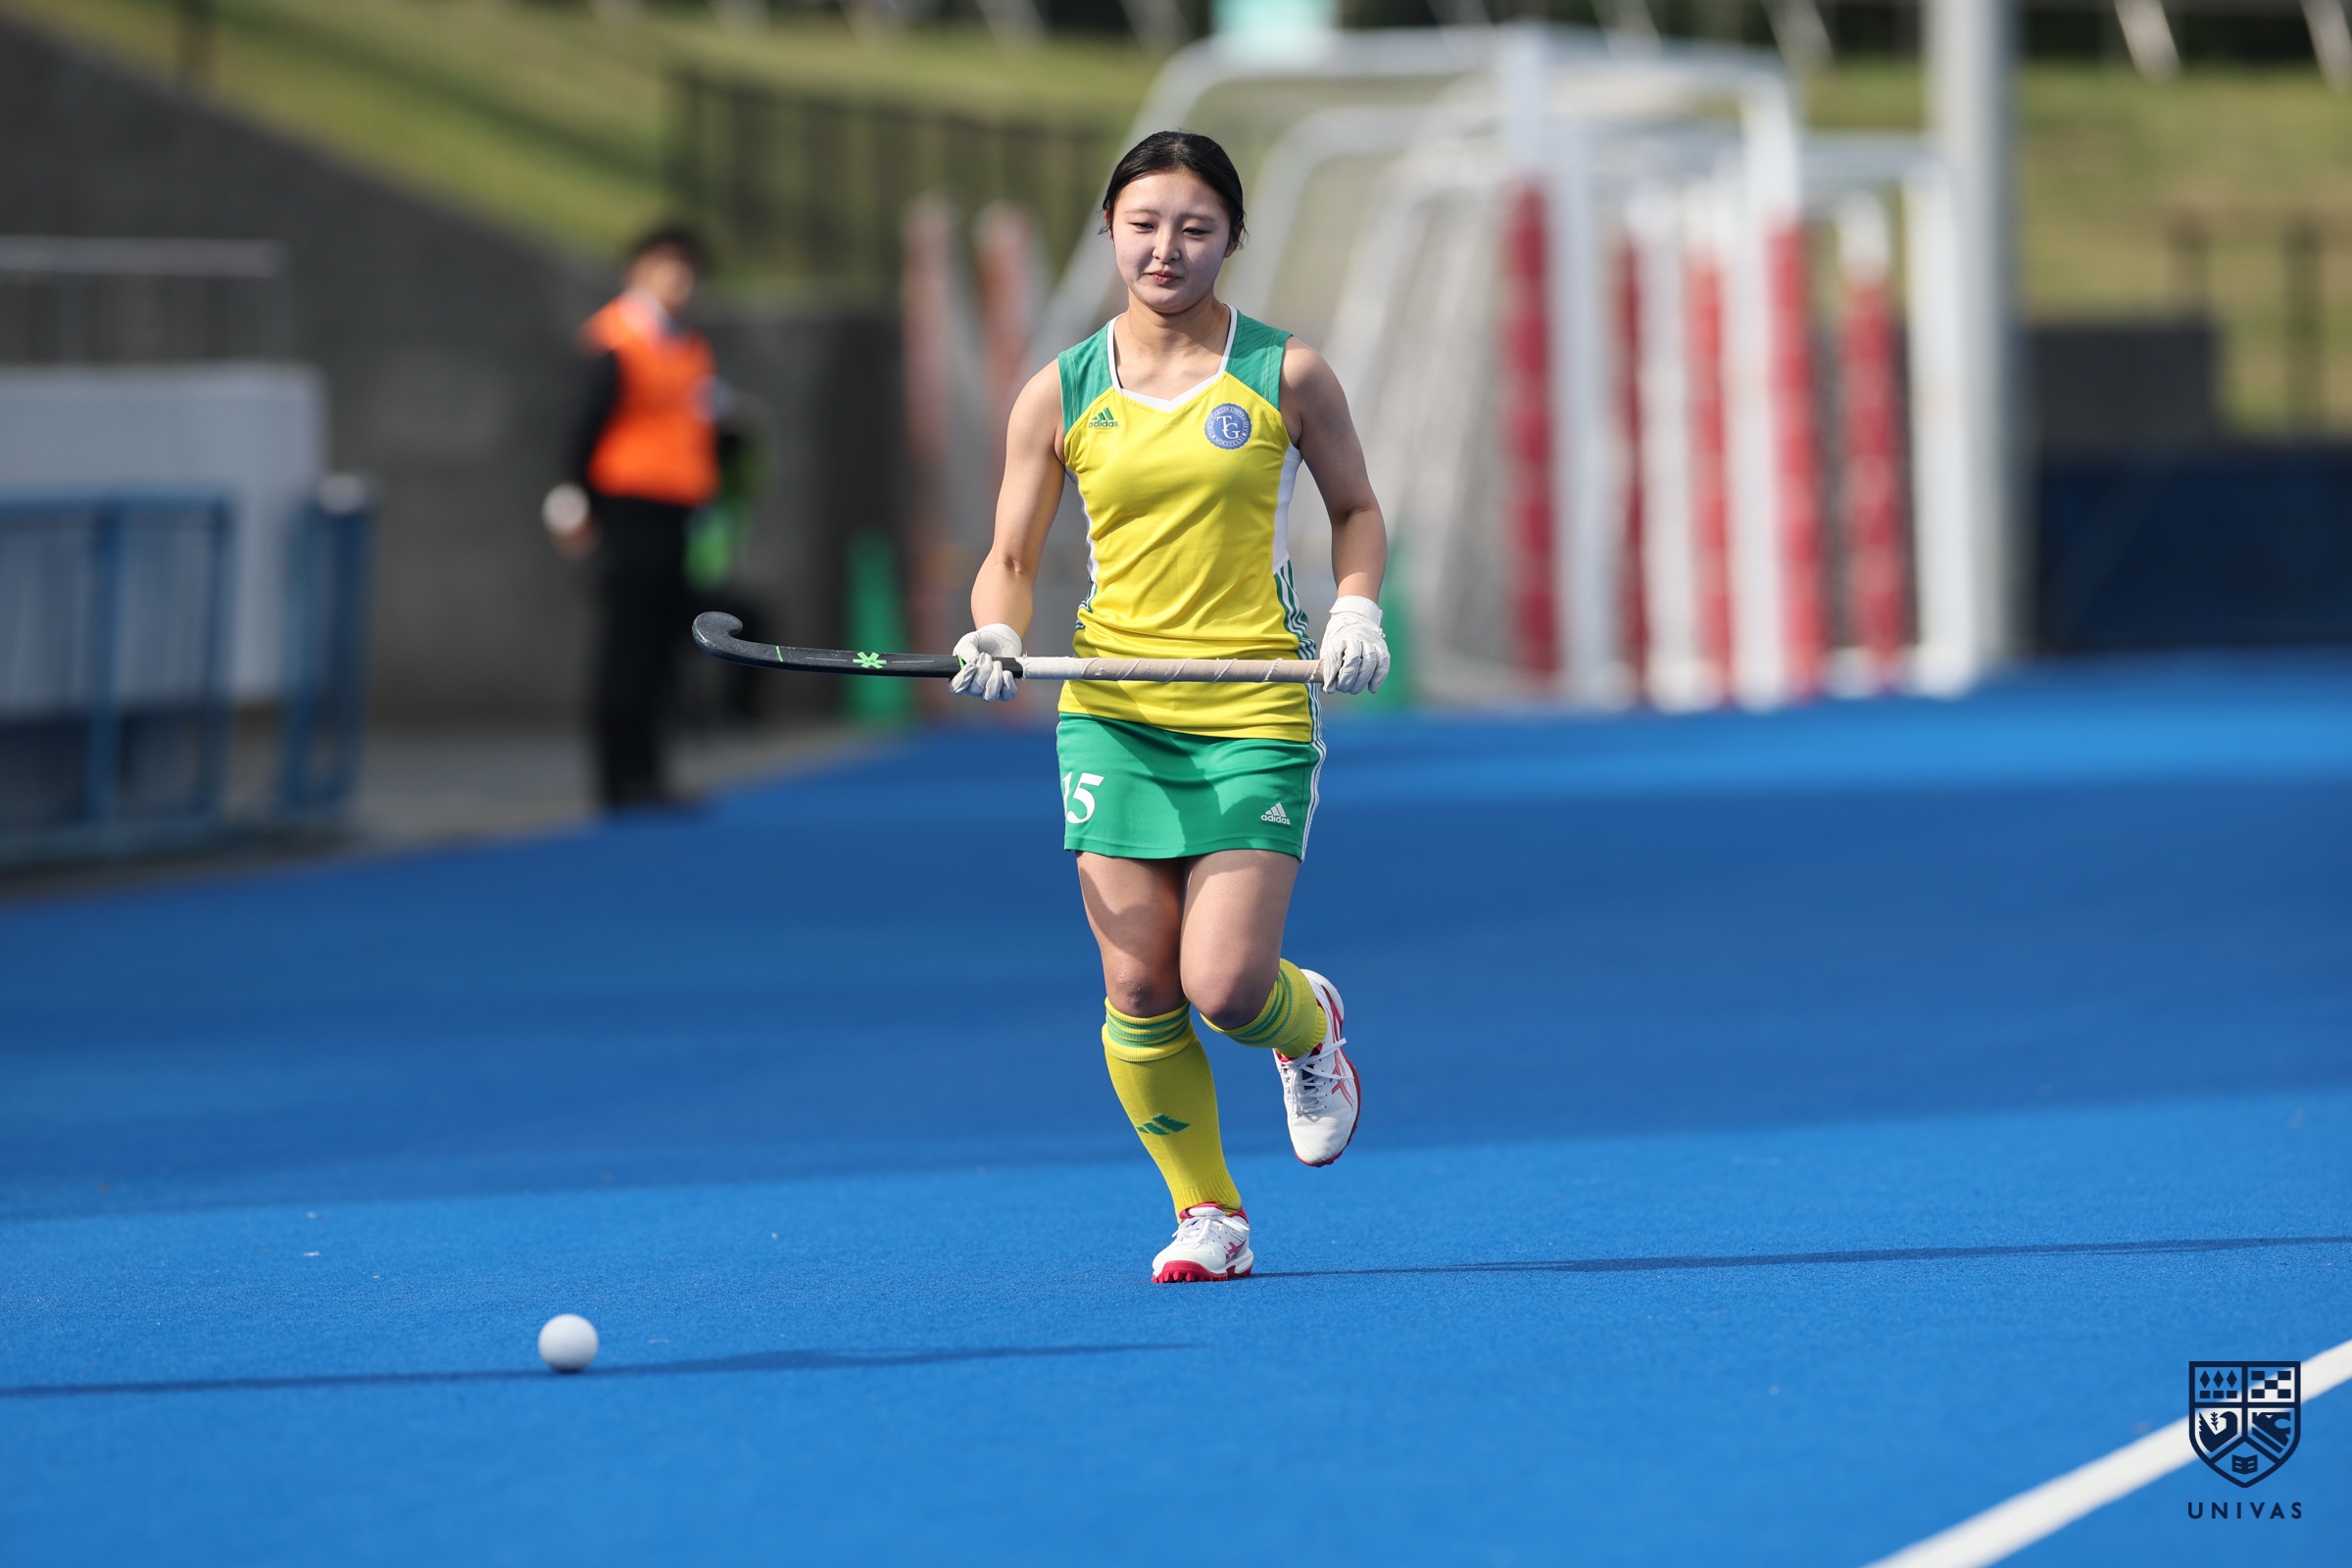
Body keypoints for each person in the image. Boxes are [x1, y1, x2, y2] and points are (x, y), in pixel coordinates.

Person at [952, 131, 1392, 1283]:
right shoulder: (1060, 390)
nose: (1166, 248)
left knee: (1227, 987)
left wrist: (1356, 607)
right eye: (1144, 224)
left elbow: (1356, 510)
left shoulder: (1287, 373)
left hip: (1254, 708)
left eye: (1195, 228)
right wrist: (996, 630)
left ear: (1230, 239)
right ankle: (1210, 1214)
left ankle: (1310, 1025)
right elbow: (1010, 556)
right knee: (1138, 983)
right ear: (1109, 229)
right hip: (1113, 714)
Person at [542, 224, 734, 808]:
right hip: (628, 508)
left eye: (687, 267)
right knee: (624, 643)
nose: (680, 278)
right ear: (638, 272)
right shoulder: (617, 337)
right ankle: (616, 776)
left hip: (676, 511)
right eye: (666, 264)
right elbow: (583, 420)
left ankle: (649, 773)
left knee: (659, 645)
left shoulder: (691, 346)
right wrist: (572, 495)